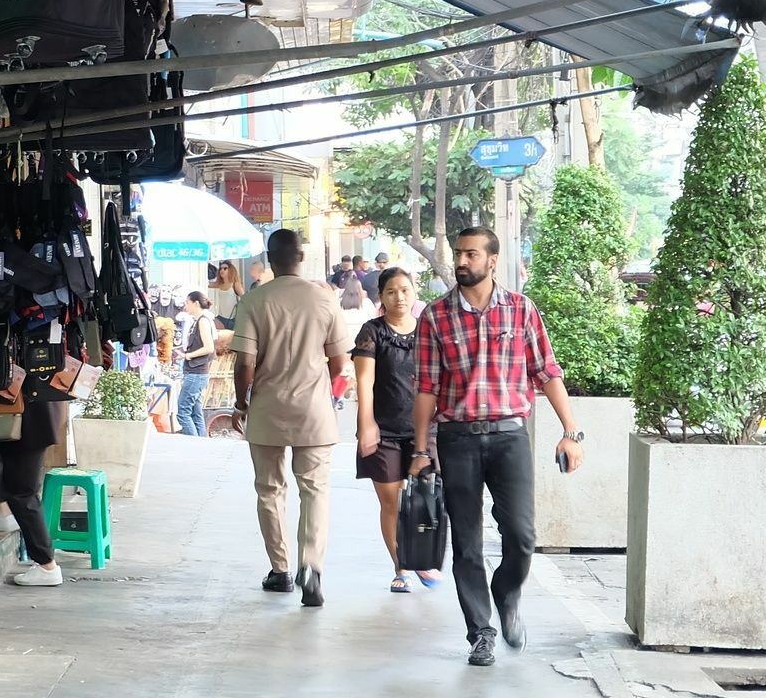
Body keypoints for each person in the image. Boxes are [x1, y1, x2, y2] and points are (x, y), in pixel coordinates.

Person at [411, 227, 586, 667]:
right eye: (458, 254)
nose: (462, 261)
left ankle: (507, 597)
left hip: (510, 436)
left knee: (522, 537)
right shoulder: (435, 316)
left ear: (492, 260)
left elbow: (547, 372)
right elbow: (427, 388)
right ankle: (480, 633)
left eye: (471, 254)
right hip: (458, 440)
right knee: (467, 544)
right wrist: (419, 449)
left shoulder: (522, 310)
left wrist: (572, 431)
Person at [232, 229, 348, 608]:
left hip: (267, 408)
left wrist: (240, 402)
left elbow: (245, 362)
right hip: (314, 412)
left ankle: (280, 570)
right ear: (302, 255)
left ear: (270, 259)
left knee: (270, 489)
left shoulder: (254, 300)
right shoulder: (325, 299)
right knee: (314, 490)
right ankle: (311, 567)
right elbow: (339, 361)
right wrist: (322, 388)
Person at [353, 267, 440, 593]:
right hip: (384, 430)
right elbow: (365, 381)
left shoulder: (428, 331)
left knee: (424, 500)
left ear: (414, 292)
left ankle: (425, 557)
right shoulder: (372, 332)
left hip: (423, 431)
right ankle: (401, 565)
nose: (398, 297)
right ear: (382, 296)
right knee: (391, 502)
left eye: (404, 290)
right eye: (391, 291)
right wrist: (366, 425)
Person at [0, 400, 72, 587]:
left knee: (22, 491)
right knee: (21, 489)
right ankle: (46, 563)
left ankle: (47, 565)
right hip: (36, 419)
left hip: (28, 421)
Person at [174, 291, 215, 436]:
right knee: (196, 413)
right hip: (198, 373)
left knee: (183, 412)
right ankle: (202, 444)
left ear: (196, 303)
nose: (185, 306)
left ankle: (193, 444)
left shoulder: (203, 320)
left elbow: (209, 347)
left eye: (187, 303)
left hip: (196, 373)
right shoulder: (199, 320)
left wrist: (188, 356)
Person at [210, 261, 244, 330]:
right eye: (220, 269)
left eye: (225, 268)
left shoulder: (235, 284)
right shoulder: (219, 284)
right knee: (209, 325)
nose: (222, 270)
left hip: (232, 320)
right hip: (220, 318)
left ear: (230, 270)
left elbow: (245, 298)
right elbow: (207, 283)